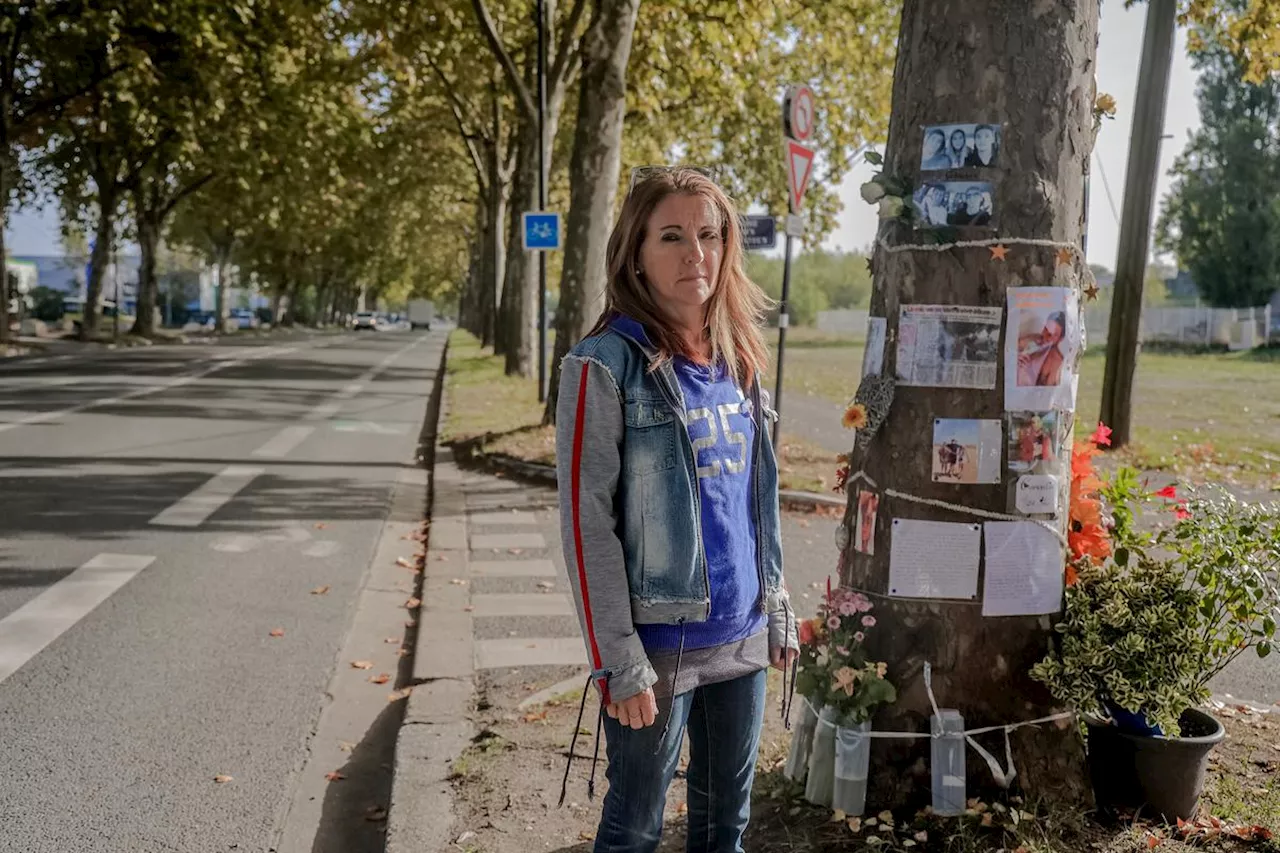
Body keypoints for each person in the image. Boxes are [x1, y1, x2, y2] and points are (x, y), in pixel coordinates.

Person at [554, 167, 799, 853]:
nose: (696, 252)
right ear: (636, 251)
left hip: (742, 638)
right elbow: (584, 526)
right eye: (672, 236)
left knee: (727, 828)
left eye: (709, 234)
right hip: (658, 648)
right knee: (635, 826)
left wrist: (776, 599)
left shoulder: (740, 357)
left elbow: (758, 500)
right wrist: (616, 659)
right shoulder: (602, 366)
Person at [1017, 311, 1068, 387]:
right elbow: (1012, 348)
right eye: (1046, 329)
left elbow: (1046, 394)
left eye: (1054, 335)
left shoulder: (1056, 364)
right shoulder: (1037, 340)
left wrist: (1028, 374)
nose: (1047, 337)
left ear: (1060, 338)